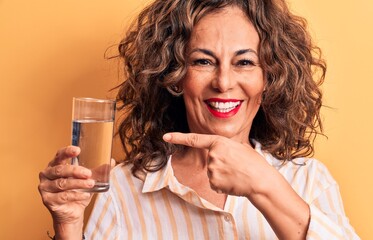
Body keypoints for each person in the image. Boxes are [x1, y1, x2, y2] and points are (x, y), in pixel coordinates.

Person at [38, 0, 360, 239]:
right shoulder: (122, 190)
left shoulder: (310, 183)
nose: (223, 81)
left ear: (269, 78)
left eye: (244, 62)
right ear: (176, 77)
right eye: (203, 61)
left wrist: (265, 185)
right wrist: (68, 225)